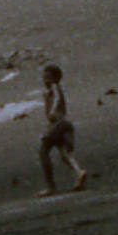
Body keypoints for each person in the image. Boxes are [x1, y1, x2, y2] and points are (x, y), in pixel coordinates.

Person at [38, 64, 91, 195]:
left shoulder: (55, 87)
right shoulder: (48, 92)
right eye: (44, 77)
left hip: (59, 123)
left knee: (43, 151)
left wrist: (52, 110)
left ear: (54, 78)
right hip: (62, 124)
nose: (45, 80)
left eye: (48, 77)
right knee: (64, 153)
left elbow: (57, 98)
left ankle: (51, 186)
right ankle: (79, 172)